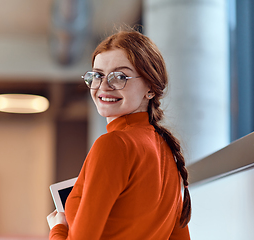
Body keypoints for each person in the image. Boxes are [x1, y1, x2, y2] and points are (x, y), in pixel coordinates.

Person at [47, 28, 191, 240]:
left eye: (119, 76)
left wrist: (58, 228)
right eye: (97, 75)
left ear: (150, 88)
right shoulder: (168, 151)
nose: (104, 86)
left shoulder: (114, 144)